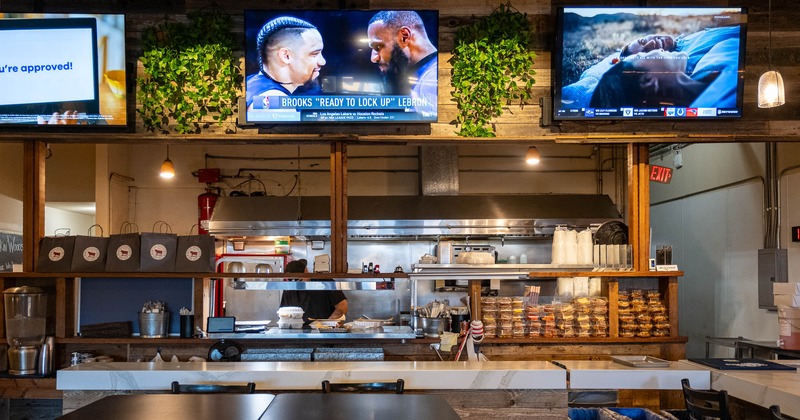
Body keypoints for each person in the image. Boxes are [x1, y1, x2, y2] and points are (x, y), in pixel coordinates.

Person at [562, 25, 741, 110]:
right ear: (648, 80)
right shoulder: (714, 104)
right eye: (643, 55)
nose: (657, 47)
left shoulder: (714, 56)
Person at [245, 16, 326, 110]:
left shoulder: (251, 83)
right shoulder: (276, 102)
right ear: (286, 56)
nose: (322, 62)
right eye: (314, 54)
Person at [367, 11, 438, 117]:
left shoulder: (432, 81)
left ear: (404, 36)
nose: (373, 58)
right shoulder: (423, 77)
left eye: (378, 47)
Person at [279, 258, 348, 324]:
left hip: (323, 331)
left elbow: (342, 305)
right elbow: (283, 312)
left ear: (306, 271)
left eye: (300, 280)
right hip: (297, 330)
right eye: (292, 281)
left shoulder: (325, 282)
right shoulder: (289, 288)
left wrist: (331, 322)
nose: (297, 285)